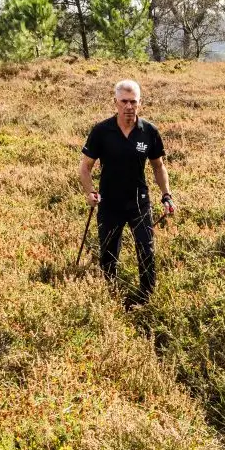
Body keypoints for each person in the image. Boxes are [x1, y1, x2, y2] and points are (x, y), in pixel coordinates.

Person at [78, 78, 174, 302]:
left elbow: (158, 167)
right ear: (115, 102)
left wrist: (166, 195)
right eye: (124, 102)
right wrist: (90, 192)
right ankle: (110, 297)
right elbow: (85, 166)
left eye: (133, 102)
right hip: (109, 203)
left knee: (146, 251)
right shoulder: (102, 131)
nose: (129, 107)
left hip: (139, 203)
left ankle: (146, 298)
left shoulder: (149, 131)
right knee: (109, 254)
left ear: (139, 103)